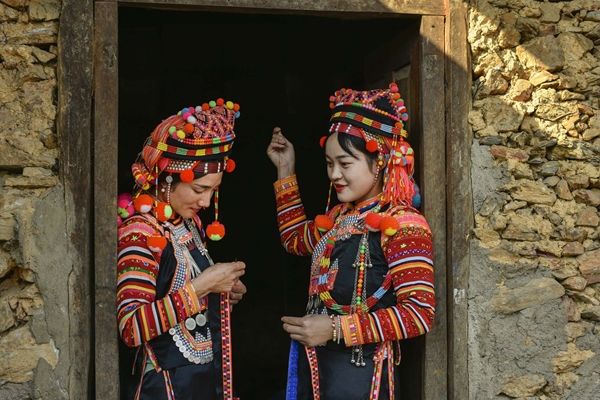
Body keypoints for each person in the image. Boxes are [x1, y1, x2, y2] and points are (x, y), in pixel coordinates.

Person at [266, 84, 435, 400]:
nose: (334, 174)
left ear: (380, 161)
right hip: (317, 370)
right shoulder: (340, 216)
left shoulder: (402, 223)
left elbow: (419, 313)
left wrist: (334, 330)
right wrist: (285, 169)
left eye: (345, 164)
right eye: (330, 163)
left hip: (361, 379)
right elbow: (295, 240)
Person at [117, 99, 247, 400]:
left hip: (200, 381)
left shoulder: (188, 224)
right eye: (199, 190)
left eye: (213, 191)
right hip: (163, 388)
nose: (205, 202)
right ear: (166, 179)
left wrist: (222, 291)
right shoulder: (141, 232)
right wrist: (203, 285)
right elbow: (132, 327)